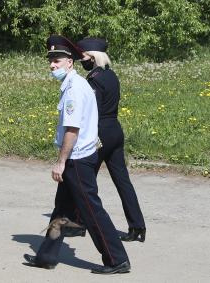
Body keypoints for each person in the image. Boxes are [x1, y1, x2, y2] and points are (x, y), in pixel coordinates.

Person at [23, 35, 130, 274]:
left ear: (70, 62)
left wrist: (61, 162)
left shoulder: (74, 89)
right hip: (81, 155)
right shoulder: (78, 84)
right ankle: (46, 256)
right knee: (61, 209)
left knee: (92, 211)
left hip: (78, 159)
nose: (52, 65)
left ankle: (117, 259)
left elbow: (72, 129)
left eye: (57, 60)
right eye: (50, 60)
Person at [76, 37, 146, 242]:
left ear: (94, 57)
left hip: (100, 133)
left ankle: (79, 223)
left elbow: (93, 111)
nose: (82, 61)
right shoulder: (111, 75)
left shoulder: (94, 79)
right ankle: (138, 226)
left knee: (83, 178)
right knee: (122, 180)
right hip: (115, 129)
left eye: (84, 57)